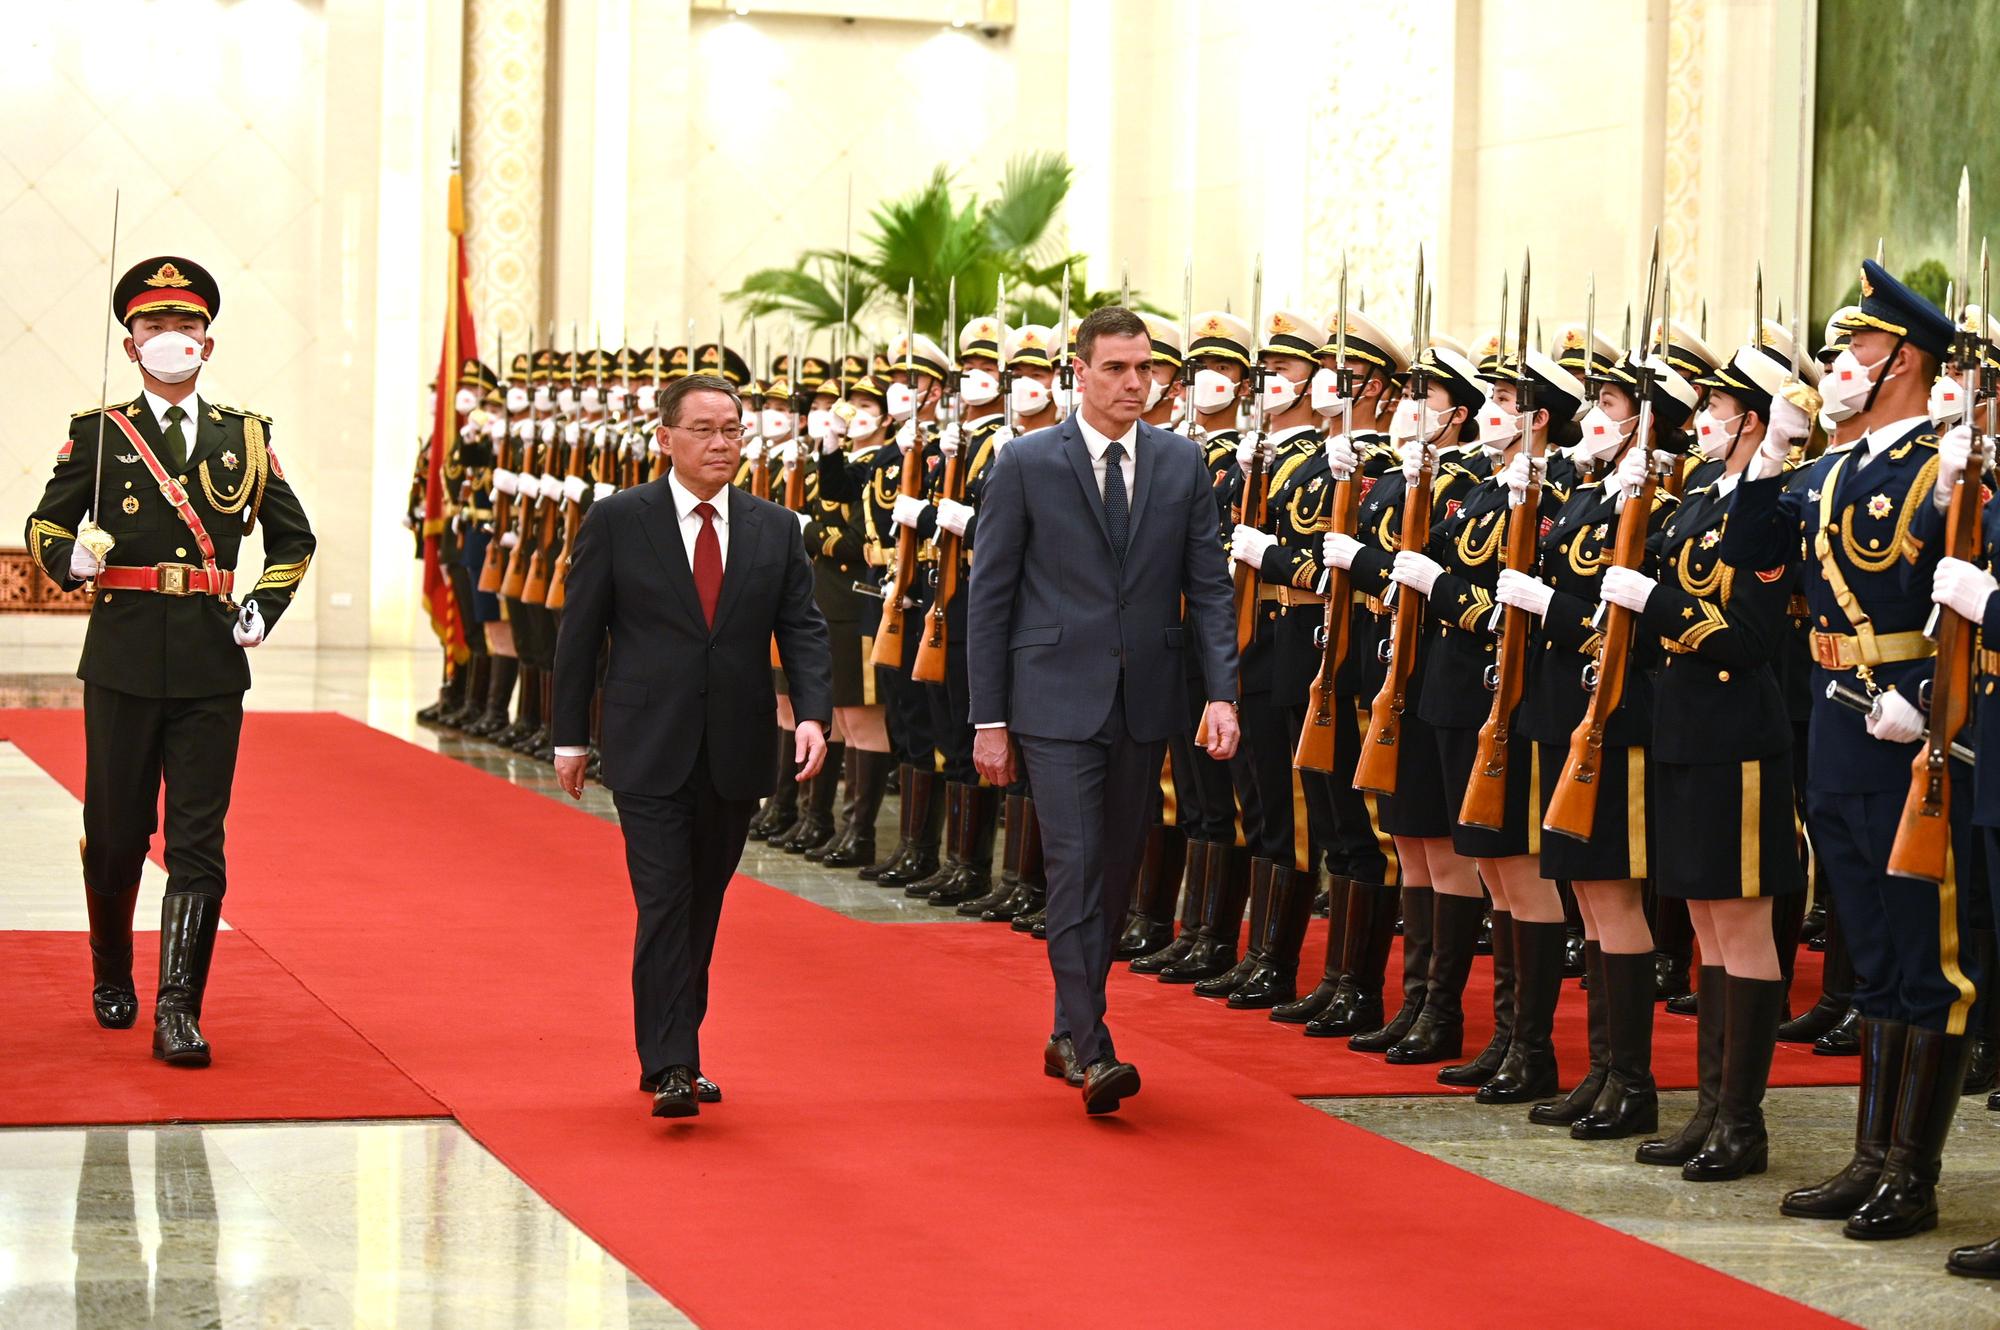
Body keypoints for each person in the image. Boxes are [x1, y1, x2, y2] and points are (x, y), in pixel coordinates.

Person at [1721, 259, 1983, 1240]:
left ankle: (1909, 1174)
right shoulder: (1828, 471)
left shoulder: (1945, 472)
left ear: (1903, 361)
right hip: (1836, 723)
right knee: (1869, 949)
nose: (1835, 366)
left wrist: (1928, 704)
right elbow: (1745, 557)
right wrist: (1766, 457)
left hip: (1912, 730)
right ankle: (1869, 1156)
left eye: (1855, 350)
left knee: (1926, 956)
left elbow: (1965, 601)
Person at [25, 255, 317, 1067]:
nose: (170, 339)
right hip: (119, 657)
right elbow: (45, 524)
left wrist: (265, 602)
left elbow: (293, 539)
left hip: (209, 664)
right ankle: (110, 970)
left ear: (208, 345)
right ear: (130, 345)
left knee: (198, 841)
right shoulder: (101, 433)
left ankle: (178, 1008)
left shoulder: (245, 438)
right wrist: (67, 560)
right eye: (154, 327)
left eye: (185, 328)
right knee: (117, 832)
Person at [966, 305, 1241, 1114]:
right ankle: (1093, 1048)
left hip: (1145, 699)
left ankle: (1064, 1029)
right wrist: (989, 718)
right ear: (1077, 374)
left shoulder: (1179, 462)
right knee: (1077, 865)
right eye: (1117, 368)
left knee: (1115, 874)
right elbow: (991, 596)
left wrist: (1220, 692)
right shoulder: (1025, 462)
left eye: (1146, 368)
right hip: (1051, 698)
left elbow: (1211, 589)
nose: (1135, 383)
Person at [552, 372, 833, 1120]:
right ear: (665, 439)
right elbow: (581, 634)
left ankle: (673, 1045)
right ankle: (673, 1062)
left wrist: (812, 714)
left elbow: (801, 627)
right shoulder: (619, 519)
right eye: (704, 429)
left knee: (701, 905)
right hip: (649, 744)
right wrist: (569, 736)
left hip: (736, 746)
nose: (721, 443)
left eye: (733, 430)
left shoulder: (775, 526)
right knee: (665, 900)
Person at [1613, 337, 1806, 1179]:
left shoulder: (1767, 507)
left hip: (1737, 729)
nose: (1700, 422)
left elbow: (1752, 637)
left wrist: (1655, 604)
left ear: (1752, 424)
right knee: (1700, 917)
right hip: (1682, 724)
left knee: (1741, 916)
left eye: (1716, 411)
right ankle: (1708, 1106)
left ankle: (1743, 1120)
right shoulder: (1697, 498)